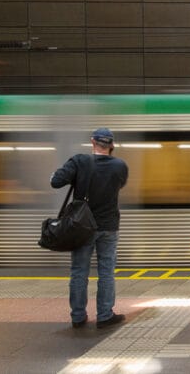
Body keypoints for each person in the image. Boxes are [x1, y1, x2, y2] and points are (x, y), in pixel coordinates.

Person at [51, 127, 129, 329]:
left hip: (82, 226)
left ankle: (78, 316)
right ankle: (104, 315)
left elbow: (56, 182)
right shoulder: (120, 165)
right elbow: (118, 186)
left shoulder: (79, 161)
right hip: (109, 226)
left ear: (92, 141)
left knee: (79, 271)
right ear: (111, 145)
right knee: (106, 272)